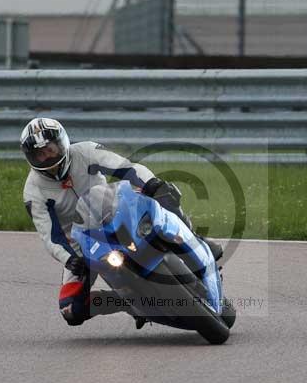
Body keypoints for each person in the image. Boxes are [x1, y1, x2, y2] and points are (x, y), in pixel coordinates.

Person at [20, 117, 223, 328]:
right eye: (40, 154)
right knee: (71, 310)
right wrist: (70, 259)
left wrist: (152, 183)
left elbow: (126, 168)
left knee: (163, 196)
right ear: (30, 158)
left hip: (115, 213)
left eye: (50, 149)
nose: (47, 157)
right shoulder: (33, 192)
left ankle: (196, 239)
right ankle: (127, 302)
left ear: (62, 143)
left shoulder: (86, 151)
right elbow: (51, 237)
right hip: (82, 247)